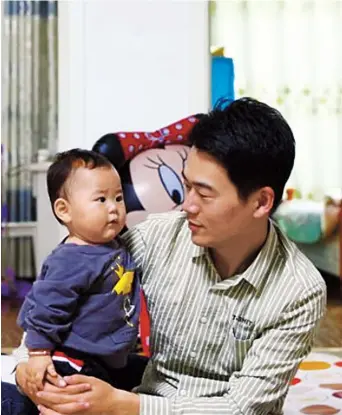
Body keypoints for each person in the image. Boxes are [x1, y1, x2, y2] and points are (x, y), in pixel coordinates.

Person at [3, 98, 326, 415]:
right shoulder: (160, 236)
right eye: (186, 187)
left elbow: (243, 407)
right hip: (144, 389)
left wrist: (121, 406)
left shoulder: (298, 291)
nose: (187, 205)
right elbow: (60, 293)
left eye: (204, 193)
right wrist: (29, 372)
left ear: (261, 202)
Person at [15, 149, 140, 394]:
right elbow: (46, 306)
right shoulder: (71, 258)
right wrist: (39, 353)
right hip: (73, 356)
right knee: (72, 395)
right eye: (101, 200)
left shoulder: (115, 244)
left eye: (118, 197)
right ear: (64, 210)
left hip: (105, 354)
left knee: (139, 375)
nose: (113, 208)